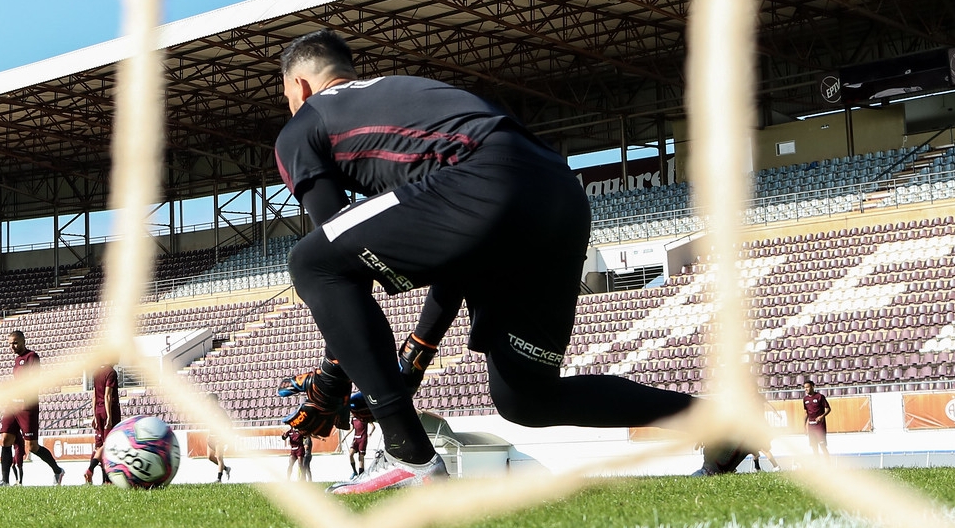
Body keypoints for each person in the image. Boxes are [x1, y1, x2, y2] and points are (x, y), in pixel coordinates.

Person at [270, 31, 738, 494]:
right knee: (527, 398)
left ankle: (407, 454)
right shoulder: (398, 94)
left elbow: (337, 247)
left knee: (310, 261)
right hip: (558, 192)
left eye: (287, 95)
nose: (290, 105)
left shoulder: (302, 125)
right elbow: (457, 251)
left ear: (301, 87)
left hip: (486, 177)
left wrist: (335, 374)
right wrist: (414, 357)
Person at [0, 331, 64, 486]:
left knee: (32, 446)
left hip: (27, 406)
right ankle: (5, 481)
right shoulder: (17, 360)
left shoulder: (32, 357)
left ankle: (57, 470)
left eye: (15, 343)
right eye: (9, 343)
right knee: (5, 439)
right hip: (13, 404)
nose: (12, 346)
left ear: (23, 341)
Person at [85, 360, 121, 484]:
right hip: (108, 410)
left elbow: (94, 396)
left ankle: (102, 480)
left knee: (98, 446)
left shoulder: (96, 372)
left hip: (98, 410)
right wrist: (110, 417)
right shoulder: (111, 372)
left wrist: (95, 415)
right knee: (108, 446)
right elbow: (108, 396)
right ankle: (92, 470)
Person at [801, 379, 831, 457]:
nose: (806, 389)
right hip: (811, 426)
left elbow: (828, 409)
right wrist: (804, 426)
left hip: (819, 426)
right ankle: (817, 466)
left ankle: (828, 465)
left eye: (807, 387)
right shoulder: (805, 399)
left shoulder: (820, 397)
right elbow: (806, 413)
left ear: (812, 387)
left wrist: (822, 416)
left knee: (822, 446)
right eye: (805, 387)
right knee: (814, 447)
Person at [347, 399, 371, 479]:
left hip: (362, 439)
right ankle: (354, 472)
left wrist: (370, 433)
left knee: (361, 458)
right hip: (355, 439)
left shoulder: (362, 417)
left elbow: (372, 425)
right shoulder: (353, 419)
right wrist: (344, 437)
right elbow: (352, 428)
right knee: (350, 454)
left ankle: (361, 475)